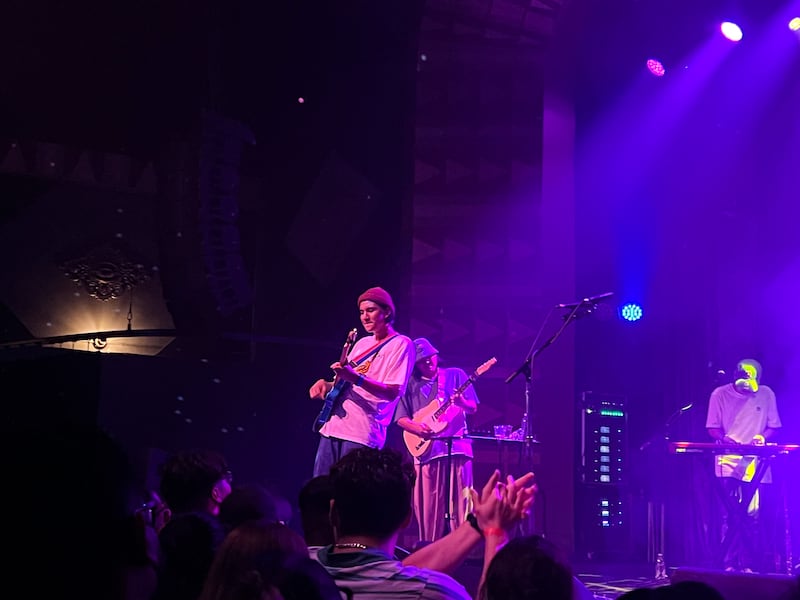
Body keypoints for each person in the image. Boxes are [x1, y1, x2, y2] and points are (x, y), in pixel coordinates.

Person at [314, 446, 536, 600]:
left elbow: (398, 569)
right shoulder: (432, 593)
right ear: (406, 519)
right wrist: (496, 531)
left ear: (332, 512)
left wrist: (477, 523)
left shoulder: (299, 565)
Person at [310, 286, 415, 477]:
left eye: (371, 310)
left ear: (387, 312)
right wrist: (326, 385)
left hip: (361, 432)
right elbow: (344, 382)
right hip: (332, 427)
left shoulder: (401, 344)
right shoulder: (361, 343)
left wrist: (355, 378)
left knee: (352, 490)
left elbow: (392, 392)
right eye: (361, 312)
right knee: (322, 487)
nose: (364, 317)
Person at [395, 337, 479, 543]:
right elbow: (400, 419)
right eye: (422, 360)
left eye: (430, 356)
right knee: (427, 508)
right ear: (415, 364)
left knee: (462, 502)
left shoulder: (455, 375)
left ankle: (462, 546)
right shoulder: (409, 385)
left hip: (457, 447)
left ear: (436, 355)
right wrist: (417, 429)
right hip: (425, 452)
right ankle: (428, 548)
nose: (428, 361)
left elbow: (473, 407)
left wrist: (462, 402)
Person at [705, 357, 782, 572]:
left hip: (754, 461)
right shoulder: (719, 394)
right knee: (728, 514)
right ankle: (728, 563)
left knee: (752, 514)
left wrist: (762, 437)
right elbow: (712, 428)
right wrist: (724, 438)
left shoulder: (766, 394)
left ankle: (748, 564)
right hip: (727, 459)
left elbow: (773, 426)